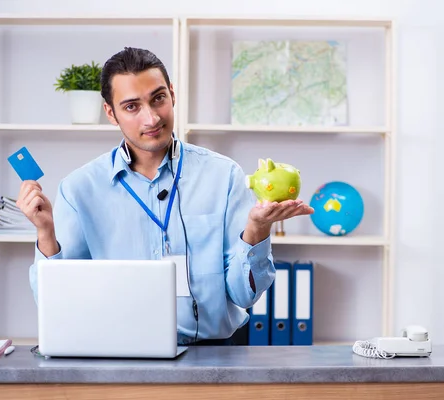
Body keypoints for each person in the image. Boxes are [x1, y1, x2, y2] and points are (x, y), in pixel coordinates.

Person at [17, 47, 314, 346]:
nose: (152, 118)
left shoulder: (224, 176)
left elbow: (243, 294)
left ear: (172, 94)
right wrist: (45, 233)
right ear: (110, 113)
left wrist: (257, 230)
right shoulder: (79, 189)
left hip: (213, 357)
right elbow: (59, 306)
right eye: (132, 107)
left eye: (158, 98)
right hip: (117, 356)